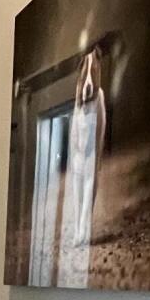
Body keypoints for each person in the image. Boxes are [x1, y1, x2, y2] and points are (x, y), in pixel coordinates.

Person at [56, 45, 106, 285]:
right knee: (79, 179)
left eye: (93, 73)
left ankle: (84, 225)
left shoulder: (99, 103)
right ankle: (78, 227)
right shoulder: (77, 107)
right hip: (79, 153)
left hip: (90, 152)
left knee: (89, 177)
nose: (88, 81)